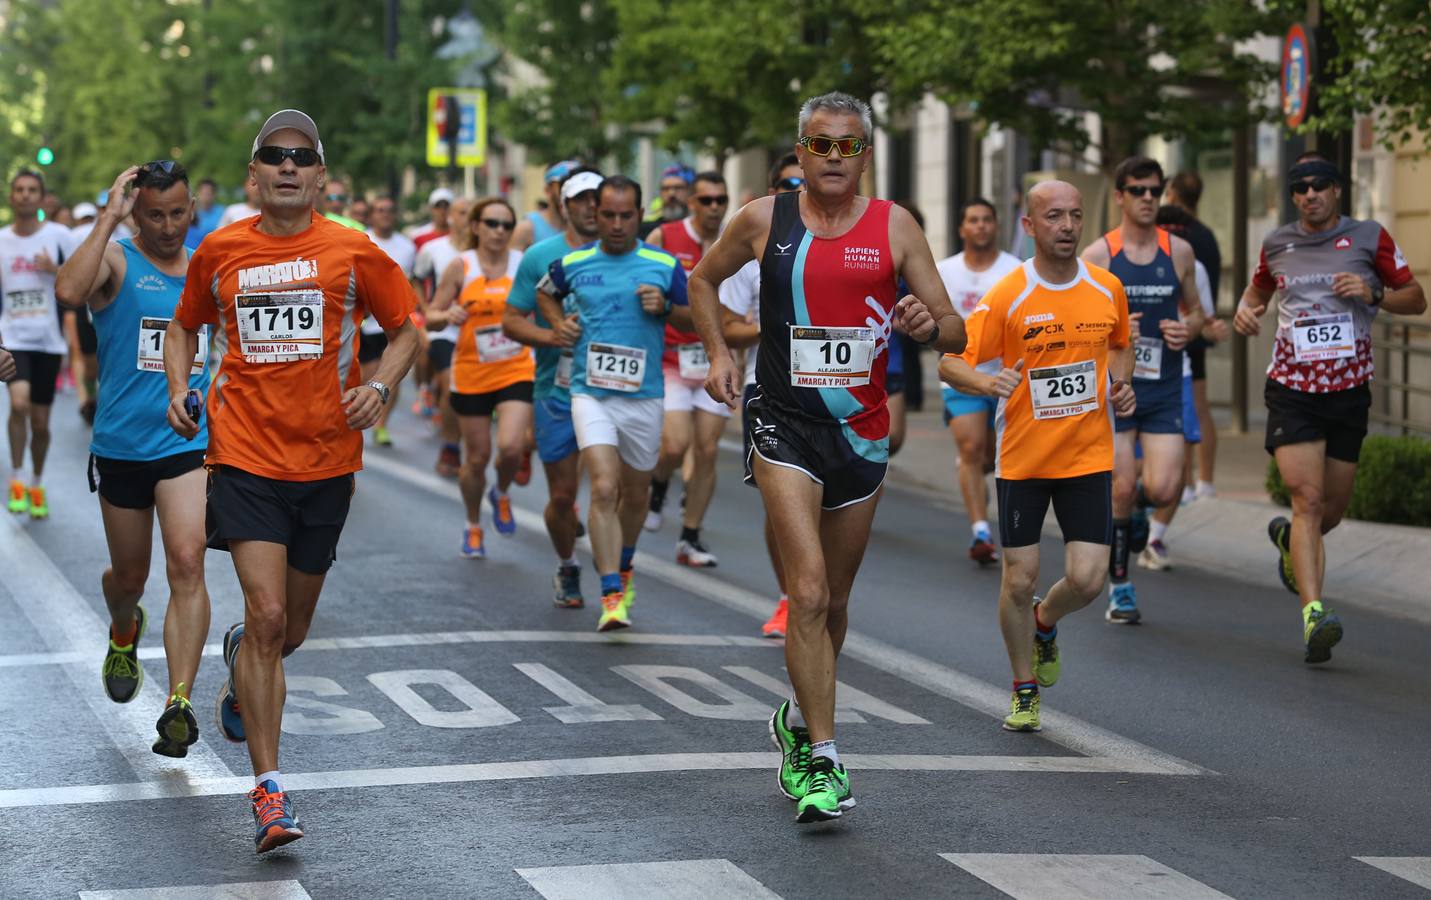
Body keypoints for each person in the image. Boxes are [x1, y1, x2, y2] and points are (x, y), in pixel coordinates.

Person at [691, 93, 967, 823]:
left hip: (861, 434)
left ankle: (796, 716)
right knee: (807, 593)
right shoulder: (762, 219)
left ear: (865, 155)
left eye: (848, 145)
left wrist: (927, 323)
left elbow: (956, 330)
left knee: (835, 603)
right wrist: (719, 353)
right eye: (821, 144)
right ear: (801, 151)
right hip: (782, 422)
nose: (834, 157)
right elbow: (701, 280)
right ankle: (823, 758)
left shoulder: (895, 226)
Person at [164, 109, 420, 853]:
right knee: (270, 615)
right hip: (243, 458)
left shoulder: (352, 250)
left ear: (319, 177)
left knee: (289, 630)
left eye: (301, 157)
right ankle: (269, 793)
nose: (287, 166)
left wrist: (380, 385)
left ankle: (244, 657)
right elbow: (183, 326)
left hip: (327, 464)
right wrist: (178, 388)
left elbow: (407, 328)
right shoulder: (220, 249)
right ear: (254, 174)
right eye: (274, 155)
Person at [940, 180, 1135, 733]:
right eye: (1054, 216)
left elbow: (1121, 345)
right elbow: (950, 362)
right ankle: (1023, 688)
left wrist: (1120, 384)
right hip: (1023, 458)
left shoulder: (1106, 288)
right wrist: (987, 382)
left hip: (1088, 455)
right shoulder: (1009, 294)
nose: (1067, 226)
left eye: (1075, 215)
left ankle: (1045, 621)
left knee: (1089, 580)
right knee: (1019, 580)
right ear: (1029, 226)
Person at [1235, 153, 1425, 664]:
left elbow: (1416, 298)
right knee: (1309, 500)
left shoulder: (1369, 237)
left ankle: (1288, 543)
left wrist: (1373, 292)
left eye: (1319, 185)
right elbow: (1256, 292)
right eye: (1300, 188)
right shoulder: (1277, 244)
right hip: (1292, 389)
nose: (1310, 194)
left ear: (1337, 189)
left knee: (1332, 510)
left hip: (1347, 391)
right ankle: (1314, 614)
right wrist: (1245, 312)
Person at [54, 161, 213, 755]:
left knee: (187, 561)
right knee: (130, 578)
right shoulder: (117, 260)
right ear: (136, 213)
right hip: (122, 446)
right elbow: (67, 292)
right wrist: (108, 218)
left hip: (186, 443)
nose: (168, 227)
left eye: (177, 213)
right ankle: (124, 627)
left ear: (191, 208)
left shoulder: (207, 267)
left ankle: (179, 701)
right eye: (154, 215)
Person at [537, 175, 693, 632]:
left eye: (627, 216)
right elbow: (545, 293)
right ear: (596, 214)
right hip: (590, 393)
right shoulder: (573, 263)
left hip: (644, 396)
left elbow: (694, 317)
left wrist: (666, 307)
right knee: (604, 488)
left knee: (636, 493)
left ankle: (623, 565)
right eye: (608, 215)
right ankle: (610, 595)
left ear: (640, 215)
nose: (618, 224)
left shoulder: (663, 264)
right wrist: (558, 325)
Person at [1081, 157, 1202, 624]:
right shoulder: (1098, 256)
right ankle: (1121, 588)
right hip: (1116, 390)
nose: (1148, 198)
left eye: (1154, 190)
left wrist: (1187, 329)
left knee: (1166, 486)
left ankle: (1133, 517)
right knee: (1122, 486)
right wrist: (1111, 331)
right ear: (1120, 197)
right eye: (1137, 190)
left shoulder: (1179, 252)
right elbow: (1078, 327)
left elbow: (1197, 312)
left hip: (1164, 387)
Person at [504, 167, 603, 608]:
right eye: (581, 200)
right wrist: (552, 335)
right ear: (564, 206)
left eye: (598, 198)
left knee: (612, 491)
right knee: (563, 497)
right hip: (557, 387)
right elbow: (512, 320)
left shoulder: (632, 255)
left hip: (616, 390)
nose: (591, 207)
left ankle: (617, 574)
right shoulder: (539, 256)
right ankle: (567, 564)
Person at [717, 153, 804, 637]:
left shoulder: (850, 246)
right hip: (767, 386)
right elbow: (728, 325)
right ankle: (790, 597)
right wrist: (766, 329)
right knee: (780, 502)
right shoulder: (754, 249)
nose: (798, 192)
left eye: (803, 183)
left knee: (829, 506)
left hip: (834, 392)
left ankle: (819, 594)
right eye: (788, 184)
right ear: (773, 192)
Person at [427, 197, 530, 558]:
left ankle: (500, 491)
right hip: (472, 370)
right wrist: (448, 315)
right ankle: (473, 524)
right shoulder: (461, 265)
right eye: (492, 223)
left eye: (507, 225)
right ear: (476, 227)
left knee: (512, 448)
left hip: (517, 367)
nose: (499, 231)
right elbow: (432, 315)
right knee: (476, 458)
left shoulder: (523, 263)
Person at [644, 171, 732, 566]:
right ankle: (659, 485)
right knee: (676, 445)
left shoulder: (736, 238)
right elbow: (642, 284)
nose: (714, 207)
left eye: (721, 200)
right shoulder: (665, 236)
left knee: (708, 450)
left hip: (717, 361)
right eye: (706, 200)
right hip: (671, 358)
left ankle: (690, 537)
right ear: (692, 202)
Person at [936, 198, 1023, 565]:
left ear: (996, 225)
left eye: (987, 219)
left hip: (1007, 377)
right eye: (973, 220)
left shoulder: (1015, 270)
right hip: (961, 373)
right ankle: (981, 531)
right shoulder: (944, 270)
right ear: (962, 228)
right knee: (971, 448)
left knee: (990, 457)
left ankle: (971, 473)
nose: (981, 226)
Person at [1, 169, 76, 518]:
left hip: (49, 340)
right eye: (20, 189)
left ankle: (36, 482)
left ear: (42, 197)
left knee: (42, 424)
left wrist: (55, 268)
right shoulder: (2, 240)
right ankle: (17, 478)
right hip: (13, 337)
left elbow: (82, 277)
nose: (26, 195)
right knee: (19, 406)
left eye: (32, 190)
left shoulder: (59, 235)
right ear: (11, 196)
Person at [1162, 172, 1224, 500]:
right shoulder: (1206, 236)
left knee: (1187, 406)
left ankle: (1186, 484)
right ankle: (1205, 481)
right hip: (1196, 326)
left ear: (1171, 193)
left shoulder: (1169, 236)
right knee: (1198, 406)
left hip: (1181, 328)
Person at [414, 196, 473, 476]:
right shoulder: (433, 249)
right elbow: (417, 279)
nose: (467, 218)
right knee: (451, 384)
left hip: (479, 333)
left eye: (472, 213)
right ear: (450, 216)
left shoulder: (486, 252)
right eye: (461, 212)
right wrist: (427, 311)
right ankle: (451, 445)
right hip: (445, 329)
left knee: (470, 393)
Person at [363, 196, 418, 445]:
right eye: (380, 210)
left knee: (392, 372)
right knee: (367, 374)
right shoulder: (361, 239)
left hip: (394, 320)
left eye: (389, 210)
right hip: (365, 322)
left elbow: (411, 282)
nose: (385, 214)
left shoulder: (407, 247)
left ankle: (382, 426)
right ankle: (365, 416)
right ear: (372, 214)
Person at [513, 161, 575, 251]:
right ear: (547, 190)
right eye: (562, 185)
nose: (570, 192)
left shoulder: (588, 229)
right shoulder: (527, 228)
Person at [185, 178, 225, 249]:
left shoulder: (223, 212)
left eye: (208, 193)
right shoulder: (192, 213)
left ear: (214, 194)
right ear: (198, 193)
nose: (205, 197)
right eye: (203, 193)